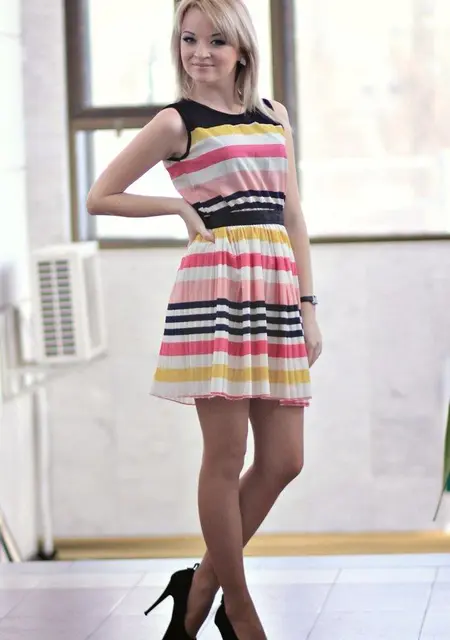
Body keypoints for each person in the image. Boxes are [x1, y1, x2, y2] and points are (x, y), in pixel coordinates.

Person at [87, 0, 322, 637]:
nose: (199, 53)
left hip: (274, 290)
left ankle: (199, 588)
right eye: (189, 39)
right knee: (226, 454)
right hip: (214, 289)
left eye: (216, 41)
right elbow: (100, 195)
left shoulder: (273, 116)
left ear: (241, 48)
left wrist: (308, 306)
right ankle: (238, 609)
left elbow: (293, 216)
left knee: (285, 459)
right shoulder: (175, 122)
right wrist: (176, 208)